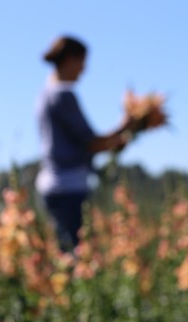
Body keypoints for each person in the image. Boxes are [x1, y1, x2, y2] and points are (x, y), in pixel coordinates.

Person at [35, 36, 135, 251]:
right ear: (70, 59)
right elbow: (90, 143)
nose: (84, 69)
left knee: (67, 250)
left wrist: (117, 140)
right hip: (68, 187)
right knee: (76, 254)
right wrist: (126, 126)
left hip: (55, 185)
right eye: (82, 62)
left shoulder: (46, 93)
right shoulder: (62, 95)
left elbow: (85, 143)